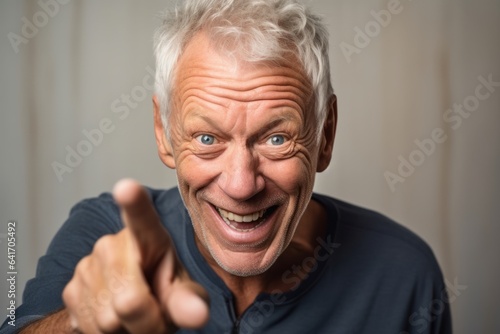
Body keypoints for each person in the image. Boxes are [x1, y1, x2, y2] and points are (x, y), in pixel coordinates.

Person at [1, 0, 452, 333]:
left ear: (325, 136)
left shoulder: (405, 274)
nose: (240, 185)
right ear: (163, 133)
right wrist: (81, 324)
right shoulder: (103, 231)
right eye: (207, 139)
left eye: (277, 138)